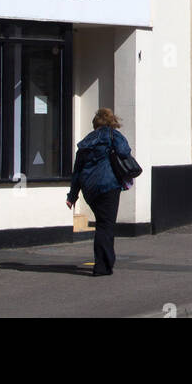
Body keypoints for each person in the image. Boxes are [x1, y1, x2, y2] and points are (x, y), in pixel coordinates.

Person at [66, 107, 131, 276]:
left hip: (89, 189)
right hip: (109, 186)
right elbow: (125, 152)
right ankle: (103, 265)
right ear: (111, 122)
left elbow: (77, 170)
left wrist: (72, 195)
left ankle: (105, 263)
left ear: (95, 123)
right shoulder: (113, 135)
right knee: (106, 225)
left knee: (102, 223)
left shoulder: (86, 141)